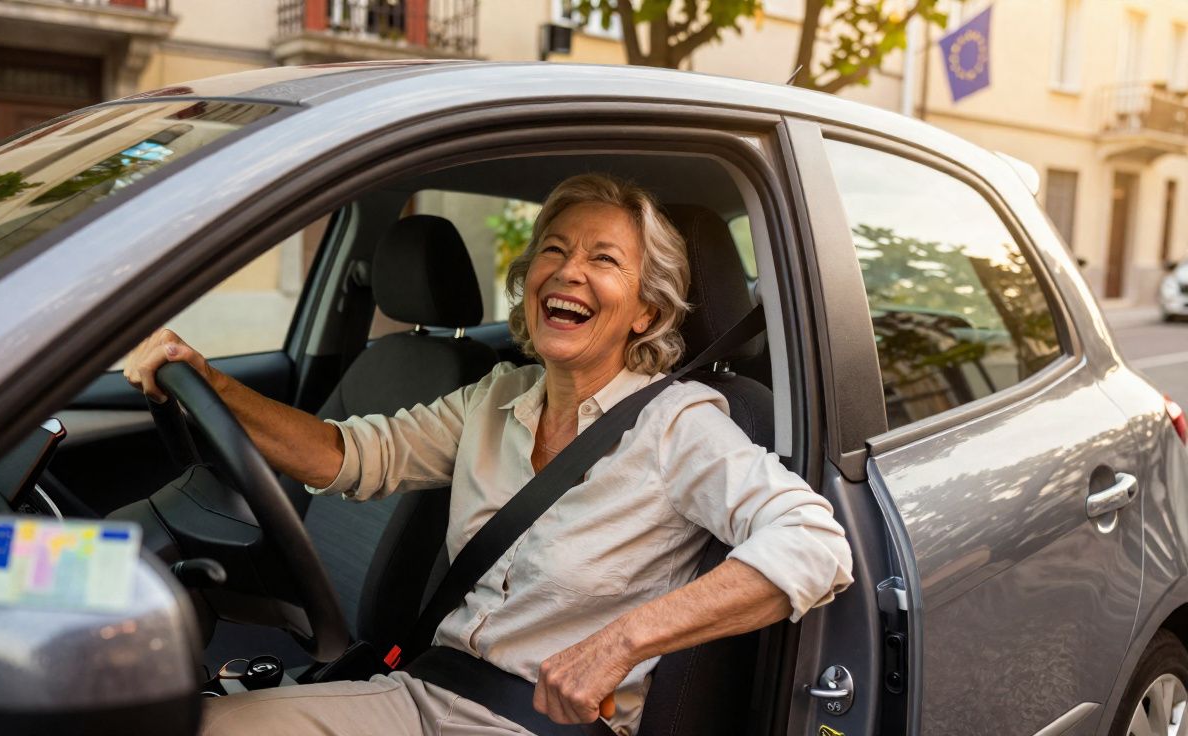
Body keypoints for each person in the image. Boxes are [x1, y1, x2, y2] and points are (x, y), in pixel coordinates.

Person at [124, 173, 853, 736]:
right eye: (554, 251)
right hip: (422, 695)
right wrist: (209, 382)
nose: (568, 271)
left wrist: (623, 642)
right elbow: (346, 454)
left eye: (603, 259)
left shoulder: (679, 425)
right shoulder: (496, 394)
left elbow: (816, 542)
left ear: (646, 312)